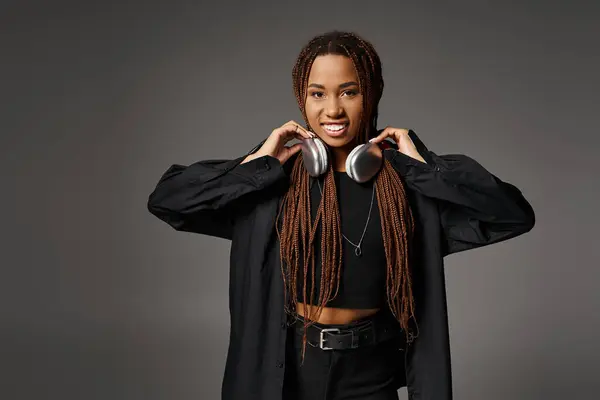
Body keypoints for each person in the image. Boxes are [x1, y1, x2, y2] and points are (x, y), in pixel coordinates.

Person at [147, 31, 535, 400]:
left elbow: (512, 214)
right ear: (303, 98)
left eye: (348, 92)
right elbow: (168, 200)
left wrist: (423, 166)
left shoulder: (405, 188)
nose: (333, 109)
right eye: (318, 94)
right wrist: (258, 163)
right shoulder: (270, 185)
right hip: (289, 372)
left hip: (369, 375)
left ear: (371, 94)